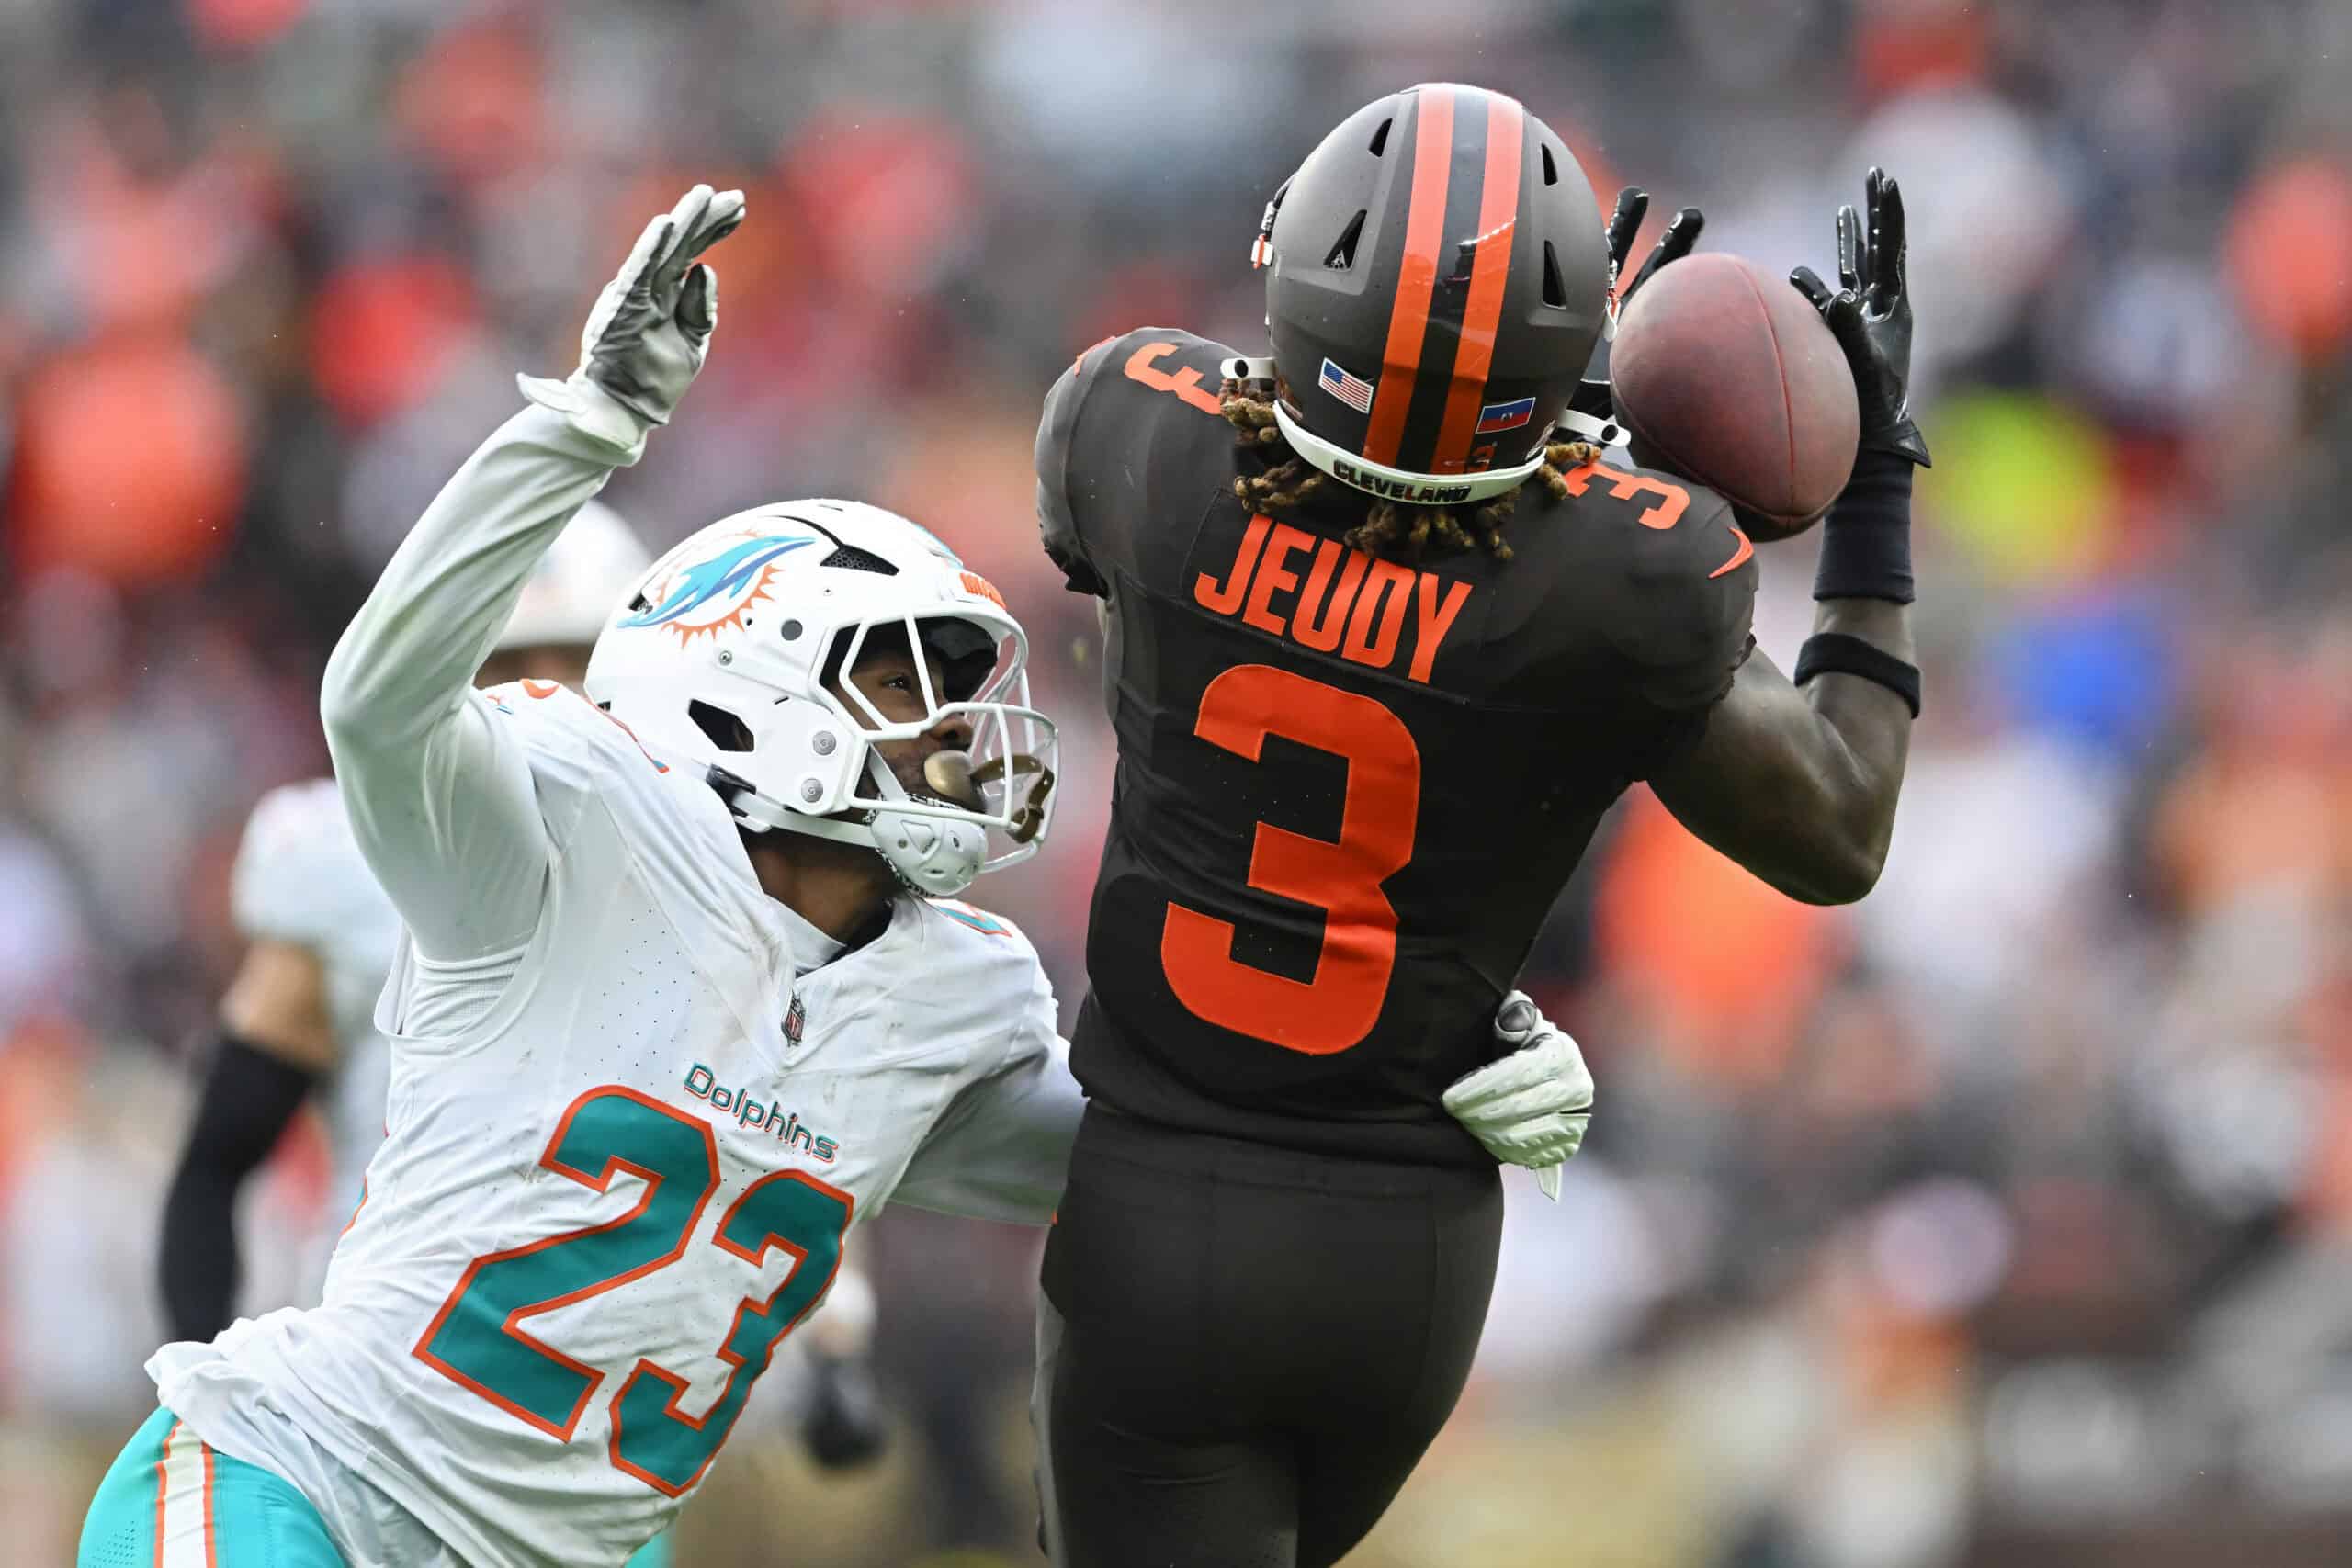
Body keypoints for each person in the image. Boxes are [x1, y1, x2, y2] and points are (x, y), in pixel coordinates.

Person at [79, 186, 1082, 1568]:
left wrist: (1423, 1081)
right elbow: (377, 704)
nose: (956, 736)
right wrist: (582, 427)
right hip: (305, 1488)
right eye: (904, 680)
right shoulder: (570, 843)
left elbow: (1155, 1157)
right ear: (751, 693)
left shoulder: (947, 997)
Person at [1030, 80, 1928, 1566]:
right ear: (1567, 360)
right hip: (1411, 1254)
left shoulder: (1134, 430)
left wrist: (1517, 446)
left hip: (1165, 1209)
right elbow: (1841, 823)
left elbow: (1275, 542)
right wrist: (1874, 475)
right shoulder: (1627, 584)